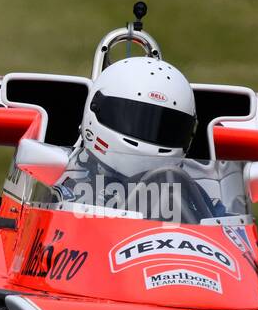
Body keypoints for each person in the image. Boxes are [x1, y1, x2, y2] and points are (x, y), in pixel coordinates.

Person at [54, 57, 221, 222]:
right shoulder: (68, 189)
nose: (149, 135)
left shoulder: (192, 194)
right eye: (132, 119)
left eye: (168, 127)